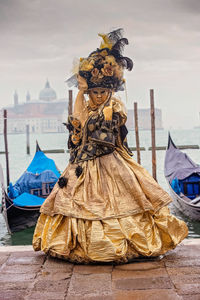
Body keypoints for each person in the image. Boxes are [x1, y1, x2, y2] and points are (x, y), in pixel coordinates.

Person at [32, 29, 188, 263]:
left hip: (111, 163)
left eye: (102, 91)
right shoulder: (88, 105)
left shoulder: (114, 108)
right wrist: (81, 93)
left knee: (120, 205)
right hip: (82, 165)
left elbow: (103, 137)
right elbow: (79, 124)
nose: (97, 96)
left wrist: (96, 117)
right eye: (93, 92)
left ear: (111, 90)